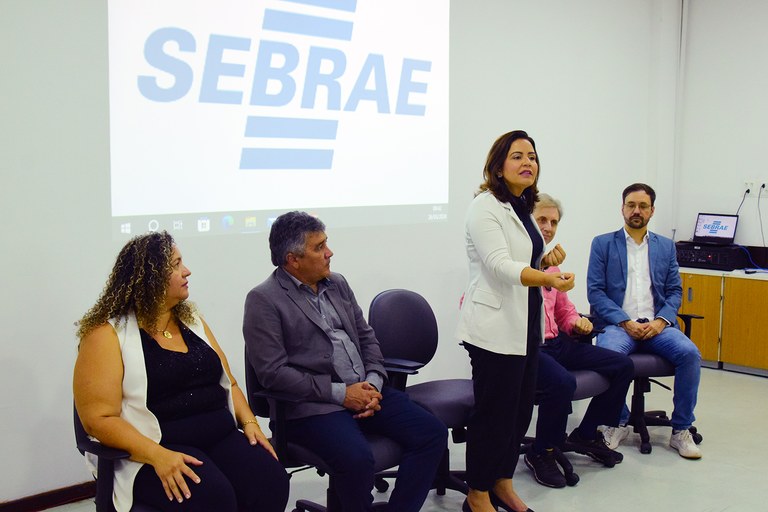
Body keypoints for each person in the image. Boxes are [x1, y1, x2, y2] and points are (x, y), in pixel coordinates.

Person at [242, 211, 447, 512]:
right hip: (312, 406)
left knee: (432, 434)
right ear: (293, 260)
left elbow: (367, 338)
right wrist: (342, 394)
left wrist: (374, 385)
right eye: (319, 247)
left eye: (327, 243)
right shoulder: (264, 300)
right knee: (357, 459)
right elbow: (273, 374)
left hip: (364, 389)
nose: (329, 252)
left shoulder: (336, 283)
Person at [73, 232, 289, 512]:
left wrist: (250, 423)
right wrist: (158, 456)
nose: (186, 271)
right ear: (149, 278)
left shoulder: (192, 321)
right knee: (214, 499)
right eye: (175, 265)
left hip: (220, 437)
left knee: (270, 481)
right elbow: (98, 420)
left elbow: (230, 384)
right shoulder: (106, 335)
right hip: (153, 451)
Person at [455, 130, 575, 512]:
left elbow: (522, 260)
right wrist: (545, 277)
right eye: (518, 156)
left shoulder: (523, 206)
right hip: (492, 330)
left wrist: (545, 264)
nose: (528, 163)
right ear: (498, 165)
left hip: (525, 325)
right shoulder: (485, 206)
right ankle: (477, 494)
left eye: (533, 157)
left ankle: (503, 483)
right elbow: (499, 265)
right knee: (493, 415)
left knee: (519, 411)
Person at [524, 193, 634, 488]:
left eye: (553, 222)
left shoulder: (552, 267)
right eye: (541, 220)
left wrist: (577, 322)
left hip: (556, 343)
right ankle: (541, 452)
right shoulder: (511, 264)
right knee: (562, 382)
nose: (547, 227)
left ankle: (586, 433)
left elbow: (564, 311)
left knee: (623, 365)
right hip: (528, 349)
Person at [587, 182, 703, 459]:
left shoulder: (665, 246)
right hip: (618, 325)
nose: (636, 210)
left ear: (652, 211)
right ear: (622, 208)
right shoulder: (603, 243)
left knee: (690, 354)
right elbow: (595, 291)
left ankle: (681, 430)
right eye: (631, 205)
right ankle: (618, 422)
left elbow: (675, 290)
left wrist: (661, 321)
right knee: (609, 356)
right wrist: (625, 322)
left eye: (643, 206)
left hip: (657, 326)